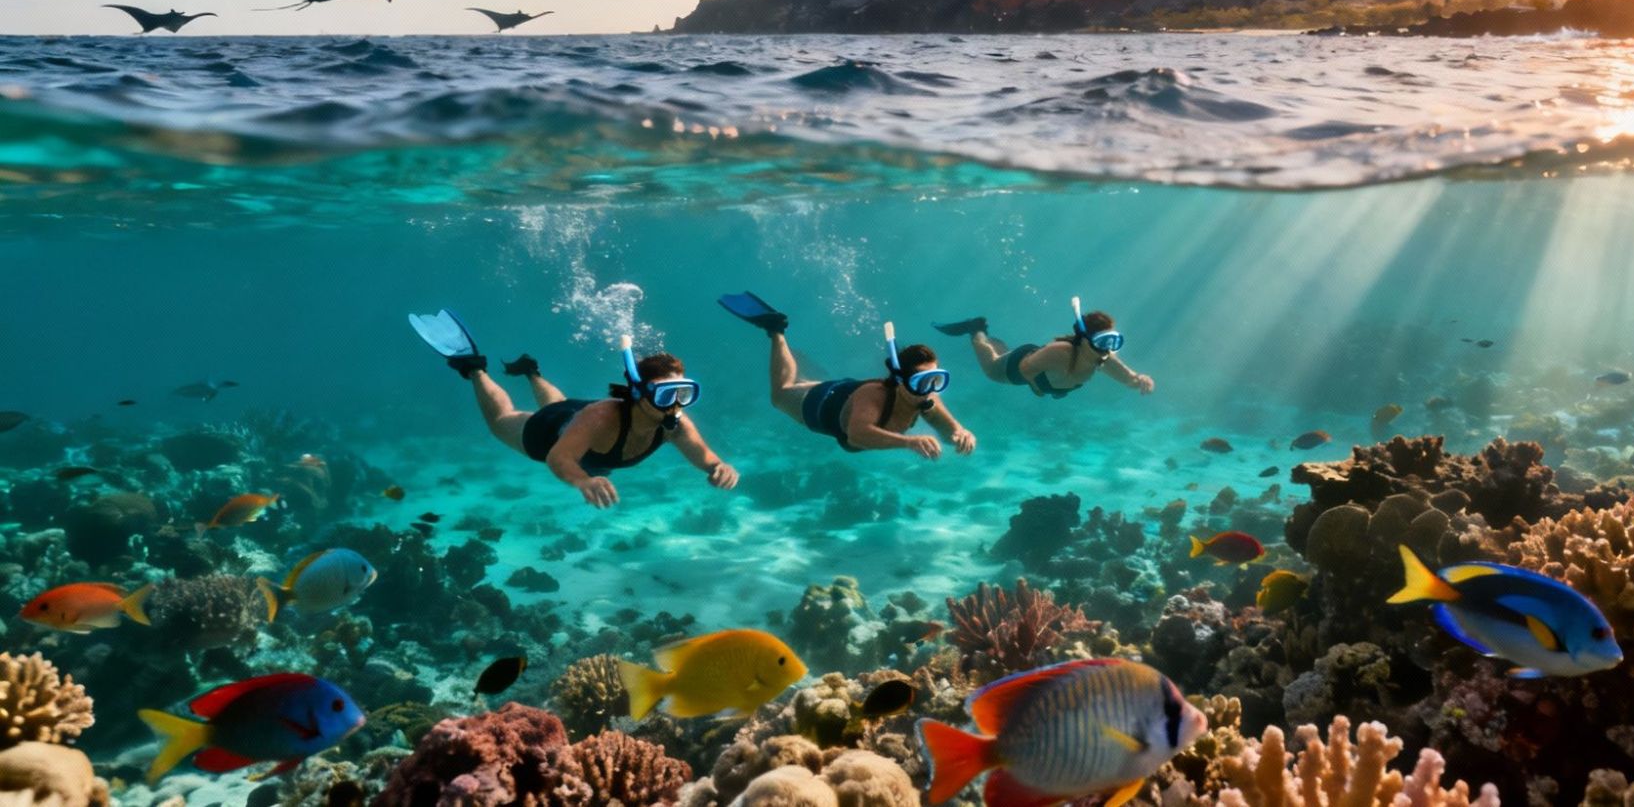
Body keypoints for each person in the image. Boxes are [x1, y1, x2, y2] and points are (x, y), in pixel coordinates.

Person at [408, 310, 738, 508]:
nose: (676, 403)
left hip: (577, 419)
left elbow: (705, 456)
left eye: (683, 393)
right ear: (638, 393)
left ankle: (531, 372)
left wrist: (719, 467)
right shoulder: (600, 417)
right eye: (667, 394)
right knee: (502, 422)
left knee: (563, 405)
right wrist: (584, 482)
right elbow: (559, 458)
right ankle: (473, 365)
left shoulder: (673, 424)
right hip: (552, 433)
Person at [718, 293, 976, 459]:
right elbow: (857, 435)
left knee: (806, 382)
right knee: (781, 393)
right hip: (822, 403)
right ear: (900, 381)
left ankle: (802, 362)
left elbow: (947, 429)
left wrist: (959, 432)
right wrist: (909, 442)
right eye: (921, 381)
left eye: (936, 380)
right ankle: (776, 330)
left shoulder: (926, 398)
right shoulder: (873, 396)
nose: (930, 389)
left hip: (846, 392)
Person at [934, 297, 1154, 399]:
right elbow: (1026, 370)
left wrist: (1140, 380)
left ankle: (993, 341)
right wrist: (1038, 390)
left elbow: (1127, 377)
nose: (1108, 349)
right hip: (1023, 365)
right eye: (1104, 341)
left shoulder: (1101, 357)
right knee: (992, 368)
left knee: (1000, 354)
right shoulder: (1061, 352)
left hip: (1043, 366)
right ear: (1085, 338)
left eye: (1112, 341)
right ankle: (976, 329)